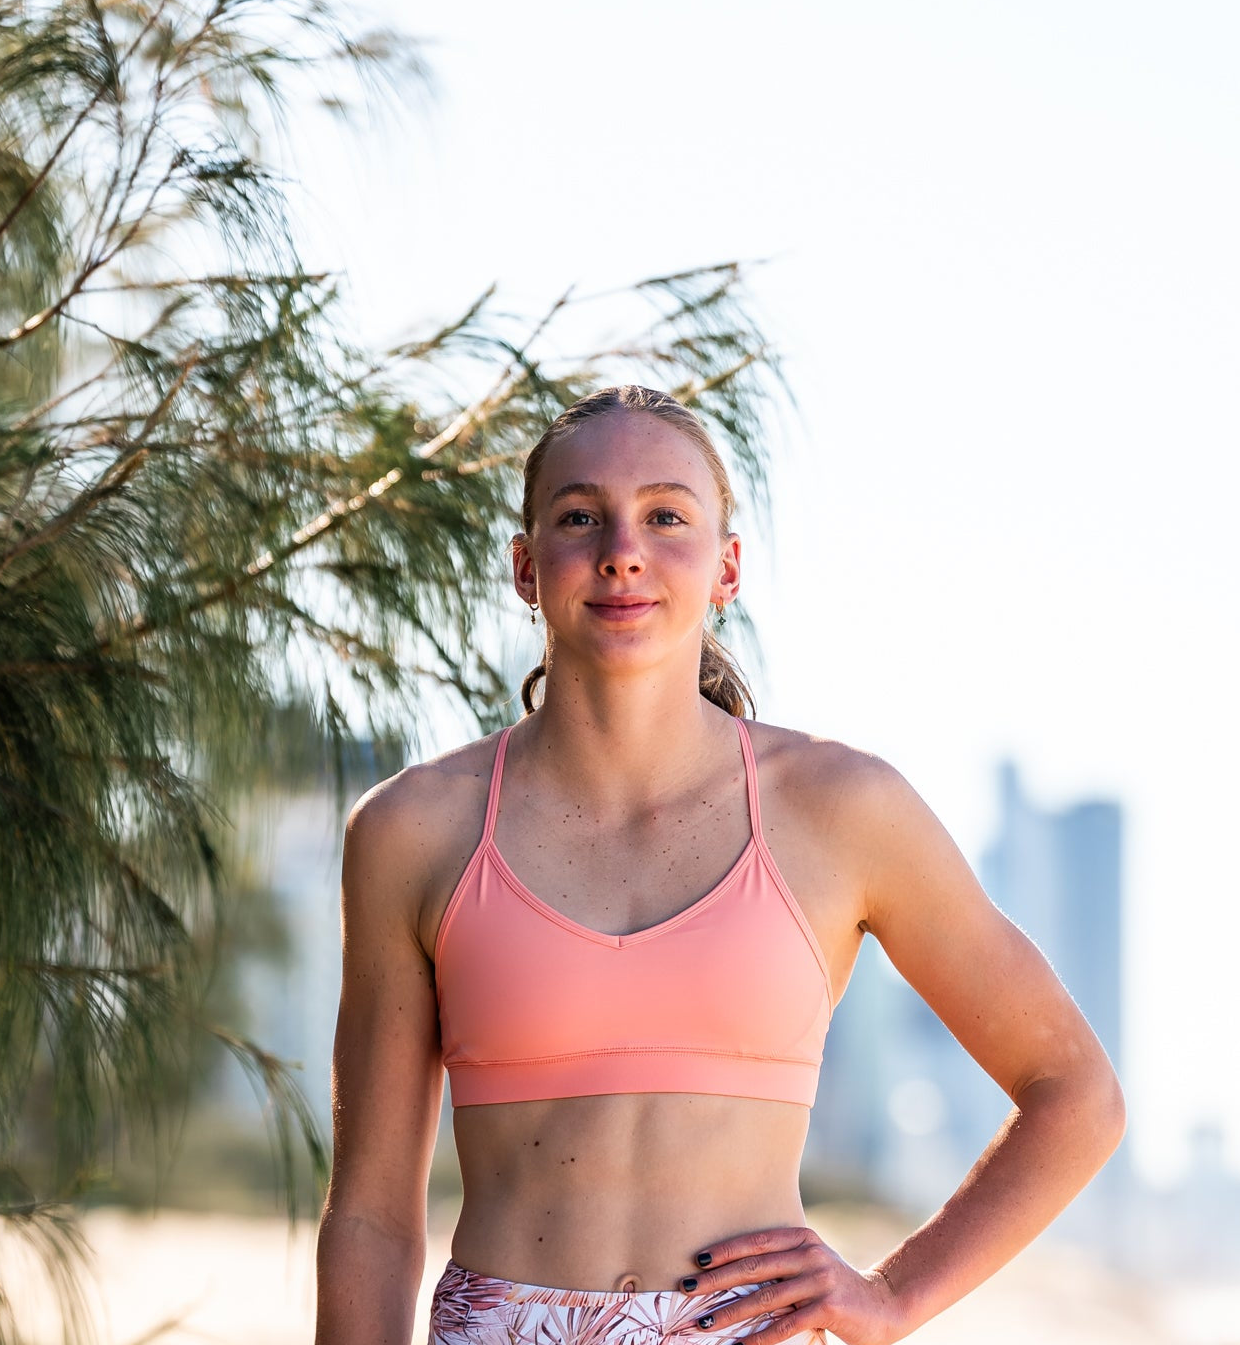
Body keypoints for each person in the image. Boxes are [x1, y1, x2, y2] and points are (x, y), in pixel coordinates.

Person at [313, 385, 1125, 1345]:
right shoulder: (413, 830)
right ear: (527, 568)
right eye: (581, 518)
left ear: (726, 567)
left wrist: (896, 1295)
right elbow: (370, 1215)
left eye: (666, 515)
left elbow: (1075, 1093)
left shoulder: (841, 810)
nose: (623, 550)